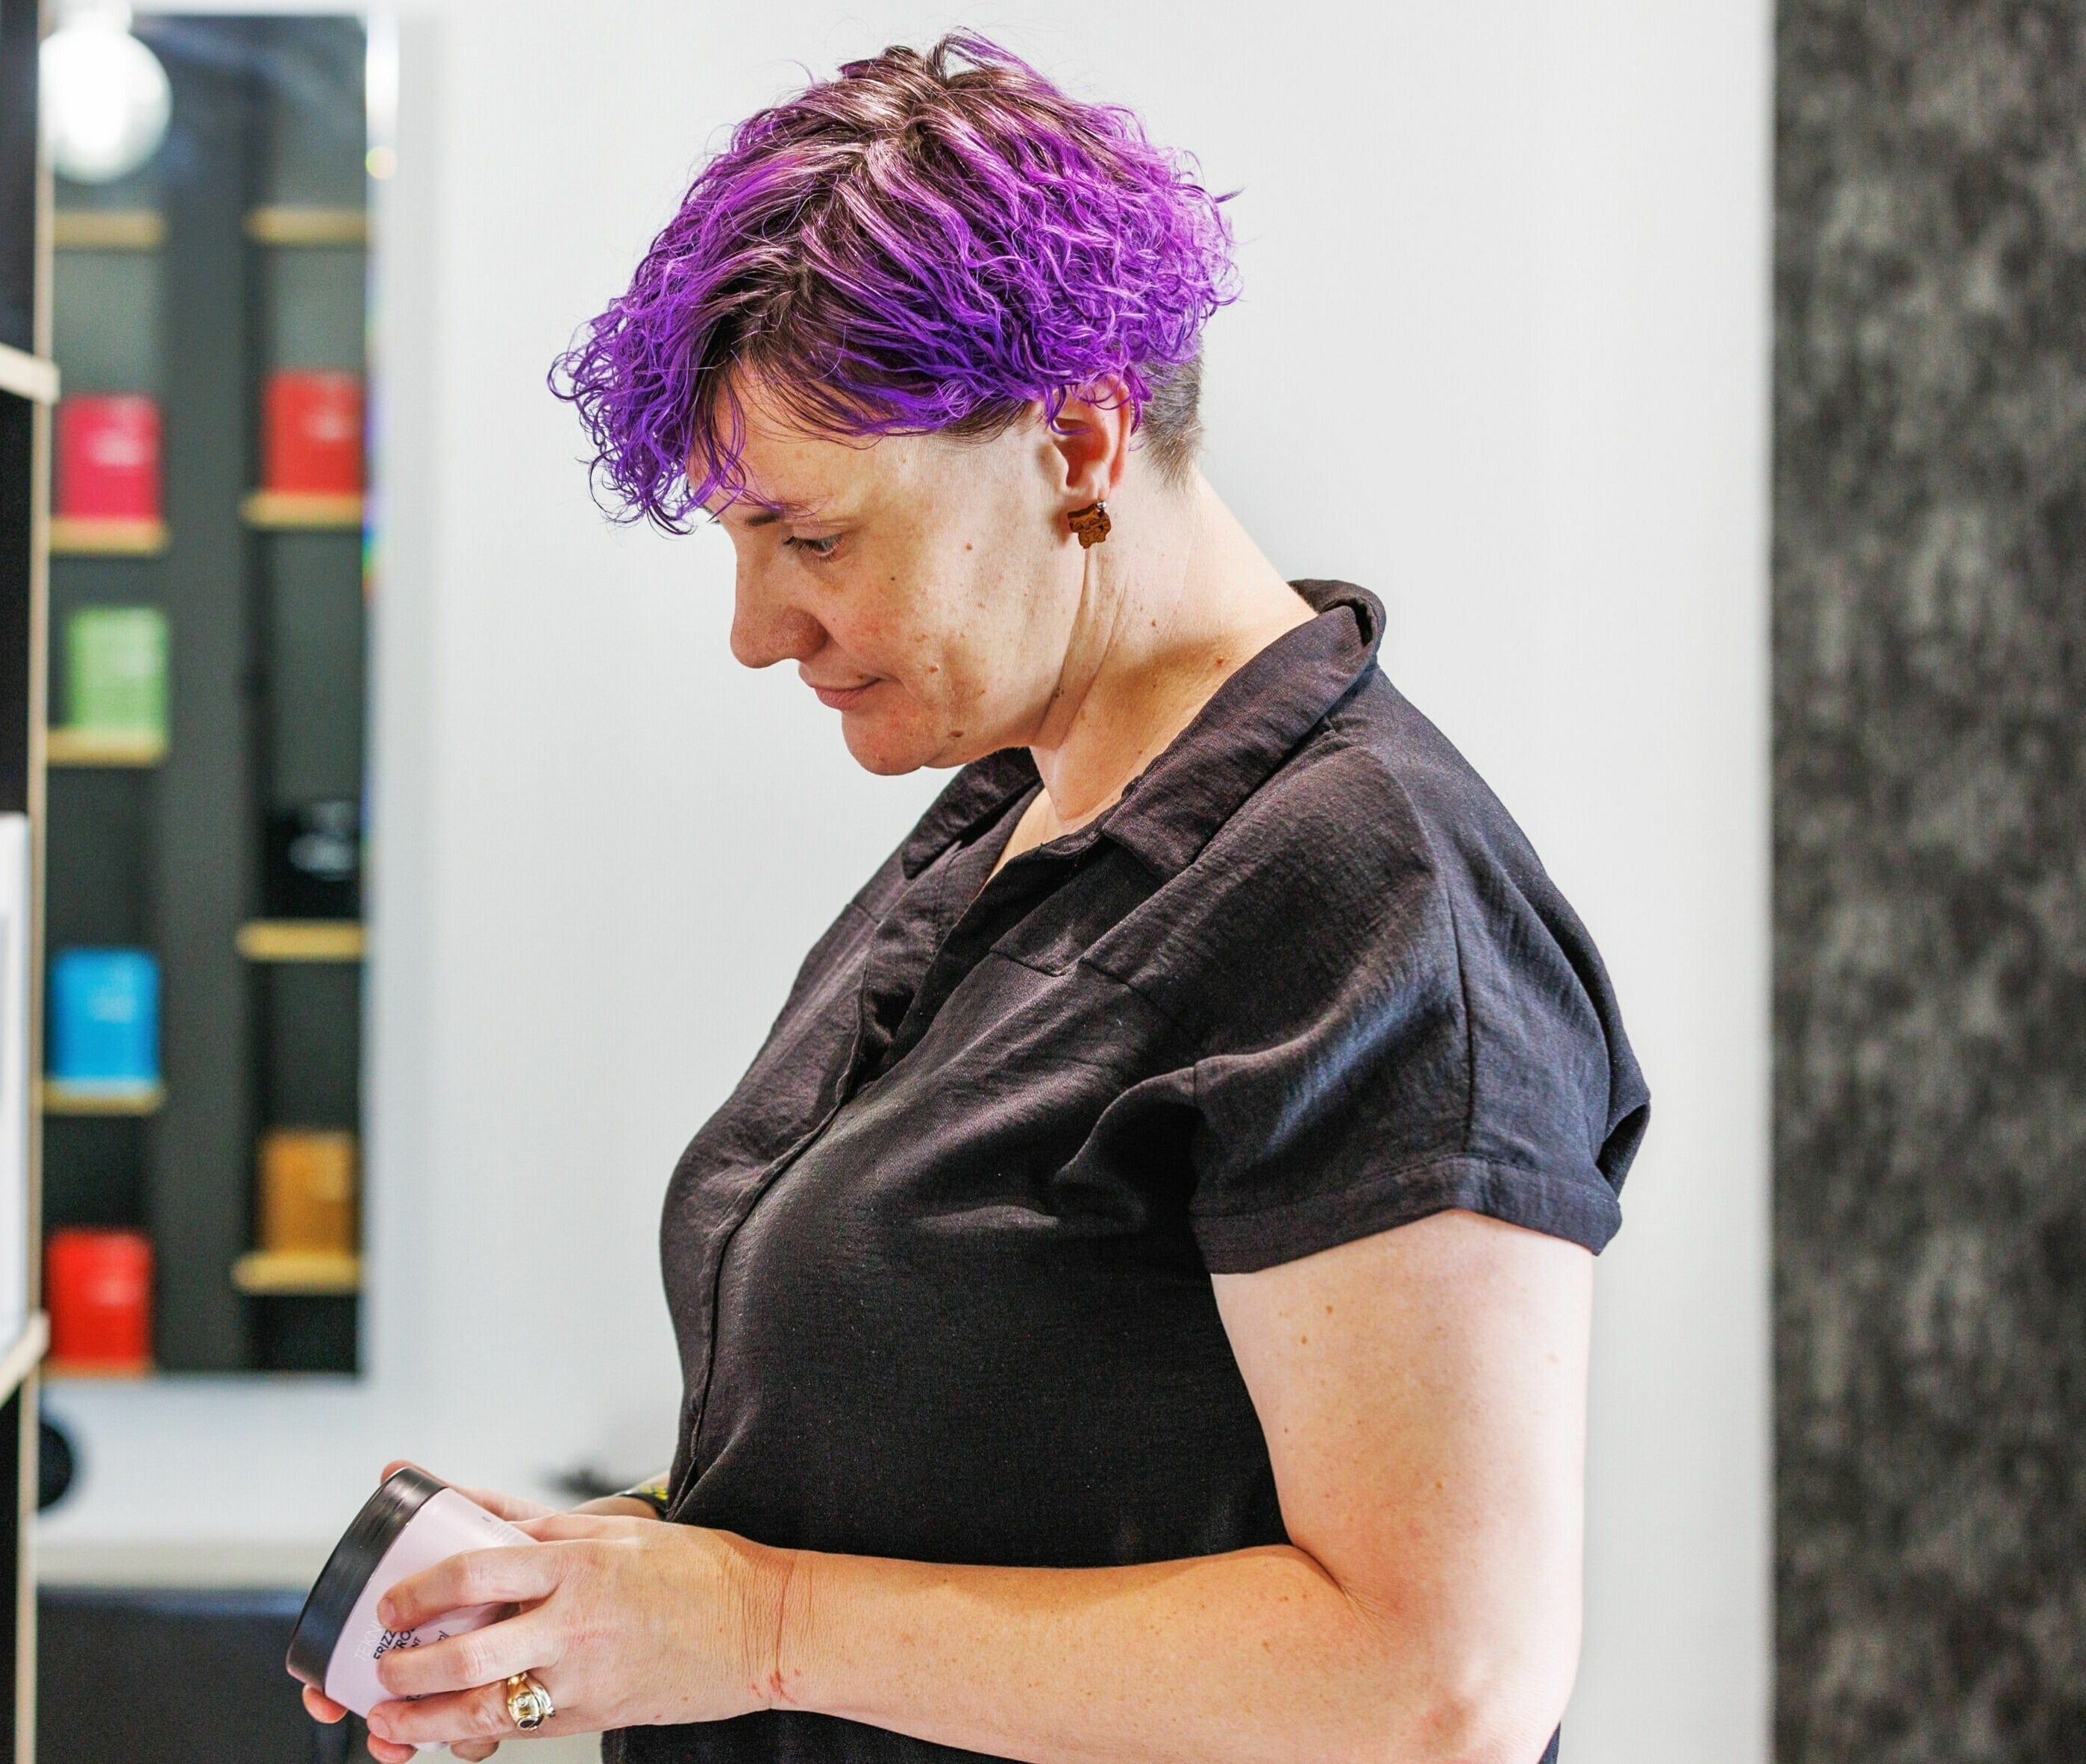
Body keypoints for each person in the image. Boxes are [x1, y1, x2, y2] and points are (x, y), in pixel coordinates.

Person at [304, 34, 1647, 1764]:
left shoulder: (1376, 896)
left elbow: (1437, 1682)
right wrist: (624, 1588)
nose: (756, 629)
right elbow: (1011, 1460)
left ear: (1077, 437)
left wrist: (763, 1626)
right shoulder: (1008, 816)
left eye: (815, 538)